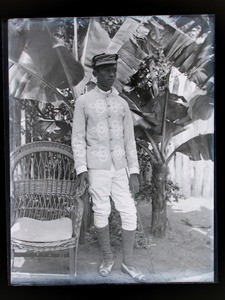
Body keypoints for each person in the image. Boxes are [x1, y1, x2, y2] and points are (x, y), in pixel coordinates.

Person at [71, 53, 145, 282]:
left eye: (113, 69)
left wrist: (134, 171)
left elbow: (129, 140)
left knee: (129, 212)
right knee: (102, 210)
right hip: (97, 168)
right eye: (106, 70)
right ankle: (107, 257)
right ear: (95, 73)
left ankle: (128, 263)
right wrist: (82, 169)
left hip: (121, 168)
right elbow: (78, 138)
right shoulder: (84, 102)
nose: (111, 74)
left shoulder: (122, 103)